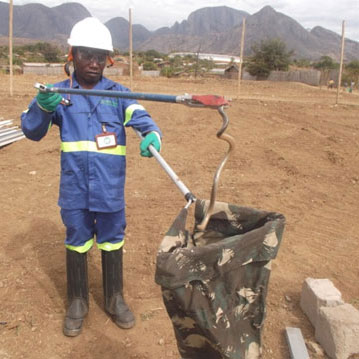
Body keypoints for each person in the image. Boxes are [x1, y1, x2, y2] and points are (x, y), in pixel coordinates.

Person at [21, 17, 162, 337]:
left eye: (101, 56)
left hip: (109, 188)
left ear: (108, 59)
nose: (95, 63)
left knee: (113, 241)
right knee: (77, 241)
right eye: (87, 55)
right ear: (72, 54)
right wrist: (43, 108)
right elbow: (31, 131)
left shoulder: (120, 94)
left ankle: (114, 298)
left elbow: (141, 118)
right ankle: (77, 302)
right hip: (74, 188)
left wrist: (152, 134)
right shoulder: (56, 93)